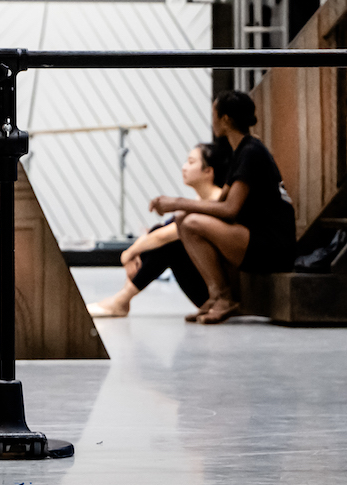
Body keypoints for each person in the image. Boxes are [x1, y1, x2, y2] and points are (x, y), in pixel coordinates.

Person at [148, 91, 297, 324]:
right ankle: (216, 295)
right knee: (184, 219)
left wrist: (177, 202)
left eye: (214, 115)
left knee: (192, 221)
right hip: (254, 237)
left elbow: (230, 210)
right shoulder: (241, 150)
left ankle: (225, 298)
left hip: (271, 245)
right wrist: (179, 207)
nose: (212, 121)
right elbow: (220, 201)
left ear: (225, 119)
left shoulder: (251, 152)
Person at [86, 141, 228, 317]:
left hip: (218, 293)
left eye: (191, 162)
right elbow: (159, 232)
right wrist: (138, 249)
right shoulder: (199, 200)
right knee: (157, 233)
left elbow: (165, 237)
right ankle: (121, 300)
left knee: (170, 245)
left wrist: (129, 253)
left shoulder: (216, 202)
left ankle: (121, 301)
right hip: (204, 288)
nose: (184, 167)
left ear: (208, 171)